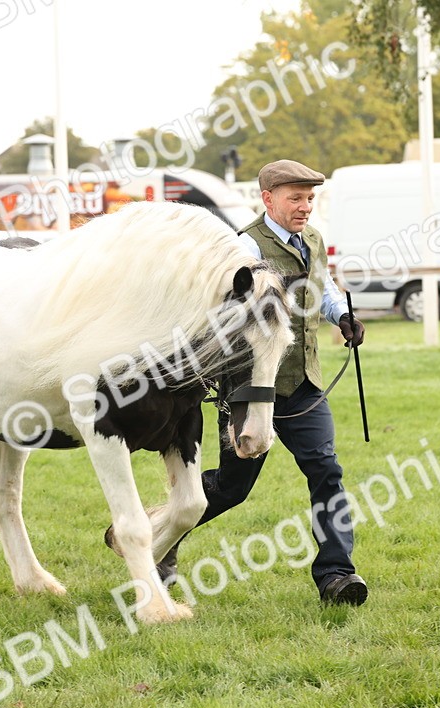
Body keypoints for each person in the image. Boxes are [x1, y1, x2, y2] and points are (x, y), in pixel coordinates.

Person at [159, 159, 368, 606]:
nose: (305, 207)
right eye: (295, 198)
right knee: (232, 489)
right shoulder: (244, 247)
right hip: (253, 390)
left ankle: (336, 575)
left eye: (310, 198)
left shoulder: (312, 239)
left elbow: (322, 288)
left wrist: (341, 316)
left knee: (326, 471)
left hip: (305, 383)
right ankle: (159, 536)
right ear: (268, 198)